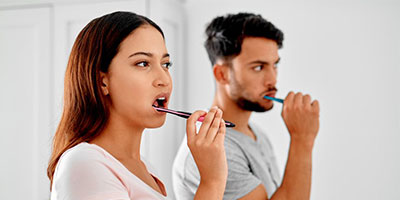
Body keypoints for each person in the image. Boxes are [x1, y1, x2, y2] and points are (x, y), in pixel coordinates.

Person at [47, 11, 228, 200]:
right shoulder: (85, 164)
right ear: (103, 82)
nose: (164, 79)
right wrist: (212, 181)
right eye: (143, 63)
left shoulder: (145, 169)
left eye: (166, 64)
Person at [173, 12, 320, 200]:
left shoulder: (255, 133)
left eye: (274, 65)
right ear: (222, 74)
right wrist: (302, 140)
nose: (272, 79)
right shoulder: (215, 148)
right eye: (258, 67)